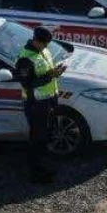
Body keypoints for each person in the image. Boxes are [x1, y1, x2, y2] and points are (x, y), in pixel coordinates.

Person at [16, 26, 68, 184]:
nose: (46, 47)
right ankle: (36, 173)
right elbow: (27, 83)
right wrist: (49, 76)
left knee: (45, 136)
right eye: (44, 44)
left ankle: (45, 167)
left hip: (48, 100)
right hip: (36, 103)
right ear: (36, 41)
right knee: (37, 138)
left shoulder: (43, 51)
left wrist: (55, 72)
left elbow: (46, 72)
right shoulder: (25, 58)